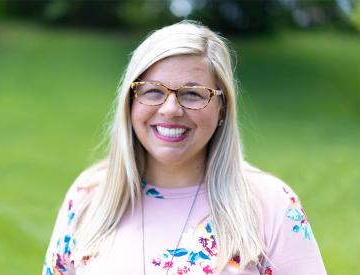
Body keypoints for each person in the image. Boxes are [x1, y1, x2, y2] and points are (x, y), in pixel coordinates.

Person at [42, 20, 326, 275]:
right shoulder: (88, 197)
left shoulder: (271, 205)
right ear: (130, 102)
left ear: (222, 107)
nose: (170, 109)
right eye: (152, 90)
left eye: (192, 94)